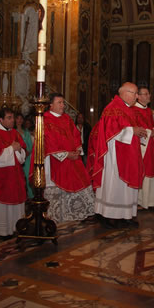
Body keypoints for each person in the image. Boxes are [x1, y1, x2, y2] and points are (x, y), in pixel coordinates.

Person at [92, 82, 145, 228]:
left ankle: (126, 215)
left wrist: (138, 132)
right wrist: (132, 131)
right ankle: (109, 215)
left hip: (130, 153)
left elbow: (132, 129)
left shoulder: (130, 110)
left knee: (126, 188)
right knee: (115, 184)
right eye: (134, 93)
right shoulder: (112, 108)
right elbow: (110, 131)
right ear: (124, 93)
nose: (137, 97)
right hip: (115, 155)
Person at [43, 93, 95, 223]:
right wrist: (66, 154)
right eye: (59, 102)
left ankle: (70, 215)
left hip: (72, 159)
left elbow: (76, 135)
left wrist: (77, 150)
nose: (63, 105)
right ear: (51, 104)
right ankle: (55, 218)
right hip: (55, 161)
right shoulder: (45, 119)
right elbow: (48, 141)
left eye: (63, 102)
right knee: (57, 192)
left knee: (80, 181)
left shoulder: (67, 119)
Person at [0, 108, 27, 237]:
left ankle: (16, 227)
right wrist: (11, 149)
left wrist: (19, 150)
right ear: (1, 119)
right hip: (0, 175)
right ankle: (0, 231)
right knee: (2, 204)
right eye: (9, 118)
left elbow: (23, 150)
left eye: (12, 117)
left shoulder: (15, 133)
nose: (12, 120)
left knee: (16, 199)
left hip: (15, 174)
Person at [132, 86, 154, 209]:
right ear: (138, 96)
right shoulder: (134, 110)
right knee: (143, 170)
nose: (149, 96)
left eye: (149, 93)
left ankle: (150, 200)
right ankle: (141, 200)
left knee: (150, 170)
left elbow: (152, 126)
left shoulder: (148, 111)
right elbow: (136, 128)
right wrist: (150, 132)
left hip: (150, 146)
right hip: (141, 146)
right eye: (146, 94)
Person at [15, 113, 34, 199]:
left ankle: (30, 197)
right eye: (17, 118)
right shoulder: (13, 132)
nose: (19, 120)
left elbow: (30, 145)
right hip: (17, 158)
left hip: (27, 158)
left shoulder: (26, 132)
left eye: (21, 119)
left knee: (28, 177)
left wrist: (27, 153)